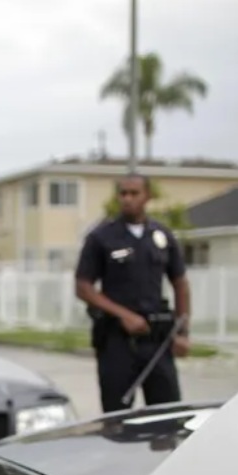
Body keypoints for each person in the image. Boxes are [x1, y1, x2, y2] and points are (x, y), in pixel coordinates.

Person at [75, 173, 191, 413]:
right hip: (117, 341)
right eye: (123, 193)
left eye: (134, 193)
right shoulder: (101, 237)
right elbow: (83, 287)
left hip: (156, 340)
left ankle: (164, 451)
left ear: (147, 196)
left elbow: (180, 283)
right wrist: (123, 315)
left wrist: (182, 332)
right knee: (117, 418)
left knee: (166, 417)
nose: (128, 199)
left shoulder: (162, 236)